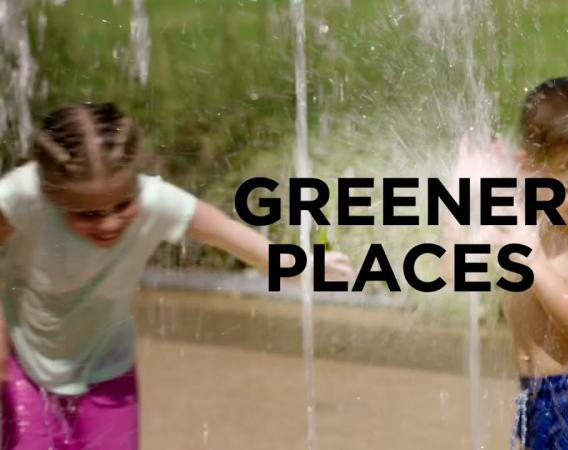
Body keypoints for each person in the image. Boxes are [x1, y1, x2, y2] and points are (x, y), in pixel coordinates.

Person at [0, 102, 352, 449]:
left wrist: (302, 267)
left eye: (123, 206)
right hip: (27, 369)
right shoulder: (23, 196)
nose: (109, 223)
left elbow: (223, 232)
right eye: (88, 214)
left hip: (107, 369)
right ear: (52, 194)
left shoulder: (154, 201)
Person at [446, 76, 568, 449]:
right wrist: (459, 197)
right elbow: (453, 274)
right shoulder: (517, 216)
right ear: (530, 168)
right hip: (534, 397)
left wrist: (533, 264)